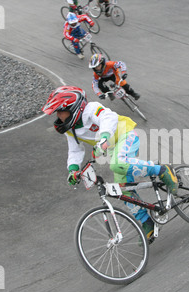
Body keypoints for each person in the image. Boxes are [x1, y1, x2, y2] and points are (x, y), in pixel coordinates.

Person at [41, 86, 179, 242]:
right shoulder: (70, 130)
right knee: (122, 190)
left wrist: (104, 138)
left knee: (117, 163)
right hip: (113, 148)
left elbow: (108, 117)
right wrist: (73, 170)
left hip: (125, 134)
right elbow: (74, 151)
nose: (58, 116)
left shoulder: (90, 109)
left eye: (60, 111)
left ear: (73, 108)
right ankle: (147, 222)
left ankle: (162, 170)